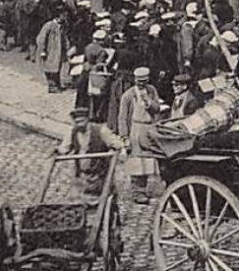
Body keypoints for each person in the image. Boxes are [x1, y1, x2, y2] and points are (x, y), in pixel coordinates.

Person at [117, 65, 165, 204]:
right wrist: (124, 136)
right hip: (136, 128)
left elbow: (157, 108)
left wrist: (148, 102)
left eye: (144, 81)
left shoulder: (152, 91)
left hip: (149, 128)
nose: (141, 84)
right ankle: (137, 191)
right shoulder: (128, 95)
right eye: (139, 81)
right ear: (135, 80)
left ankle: (146, 188)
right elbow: (122, 117)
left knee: (148, 159)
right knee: (136, 160)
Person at [58, 105, 126, 197]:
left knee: (104, 197)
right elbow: (64, 149)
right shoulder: (73, 132)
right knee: (78, 200)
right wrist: (58, 151)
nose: (79, 124)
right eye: (77, 122)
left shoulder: (100, 130)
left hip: (99, 174)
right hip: (82, 175)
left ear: (87, 120)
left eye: (82, 121)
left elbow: (118, 144)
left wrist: (115, 151)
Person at [34, 8, 67, 92]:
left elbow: (64, 38)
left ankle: (57, 84)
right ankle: (52, 86)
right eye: (64, 15)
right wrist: (42, 50)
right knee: (50, 68)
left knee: (57, 68)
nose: (65, 16)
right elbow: (41, 38)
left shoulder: (62, 26)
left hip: (57, 51)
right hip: (49, 51)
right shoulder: (49, 25)